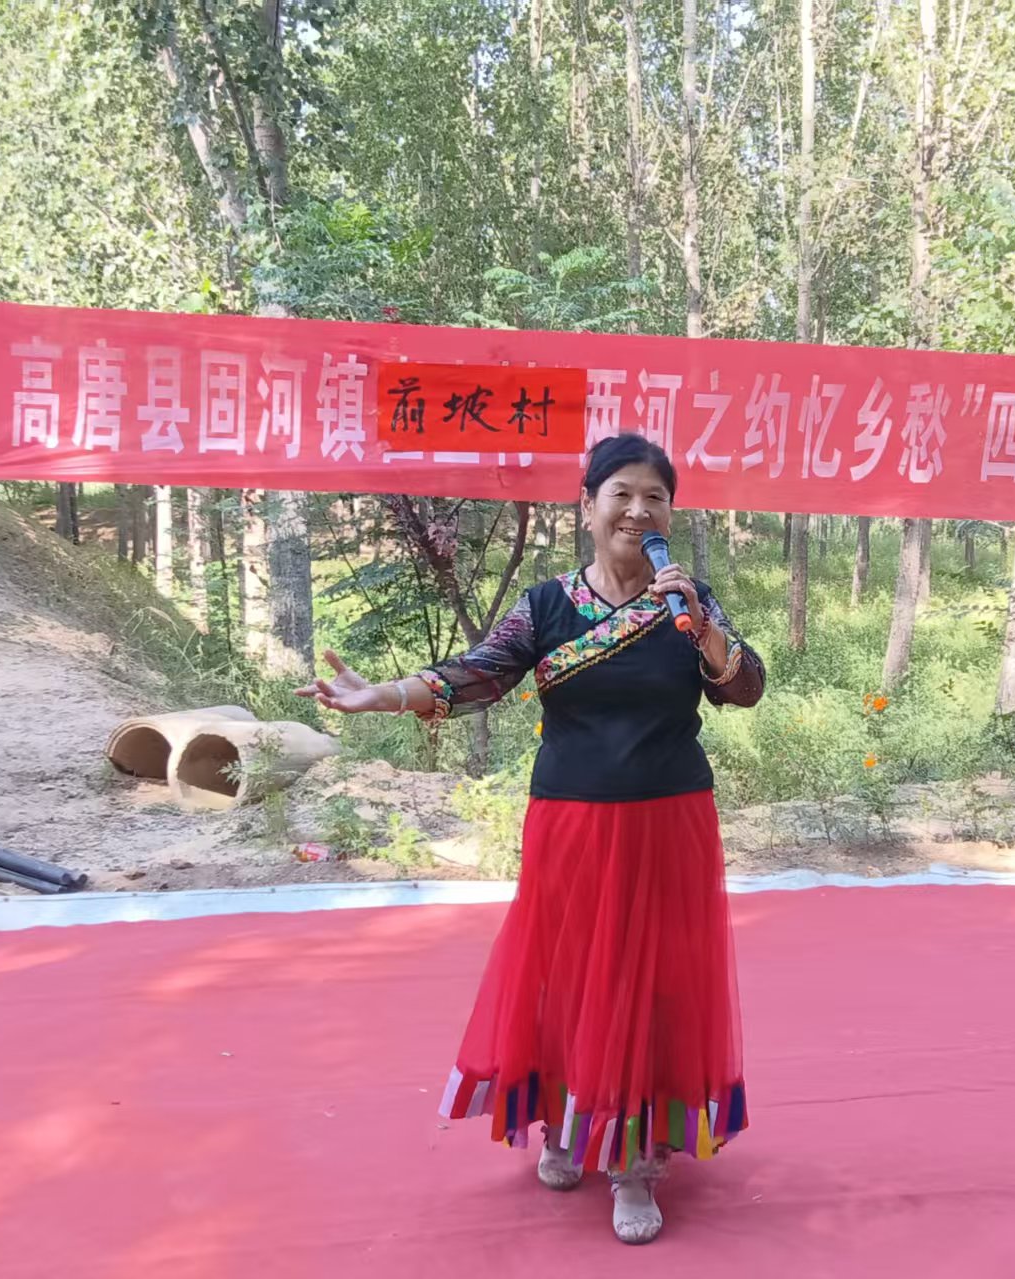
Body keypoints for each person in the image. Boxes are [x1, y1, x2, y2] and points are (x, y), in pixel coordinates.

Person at [296, 434, 765, 1245]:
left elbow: (747, 687)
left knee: (654, 981)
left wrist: (705, 635)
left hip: (671, 820)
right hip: (573, 824)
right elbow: (478, 672)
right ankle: (567, 1120)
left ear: (670, 511)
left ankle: (635, 1161)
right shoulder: (547, 606)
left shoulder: (689, 602)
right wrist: (383, 695)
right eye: (621, 493)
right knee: (570, 976)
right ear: (588, 507)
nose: (639, 510)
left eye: (655, 496)